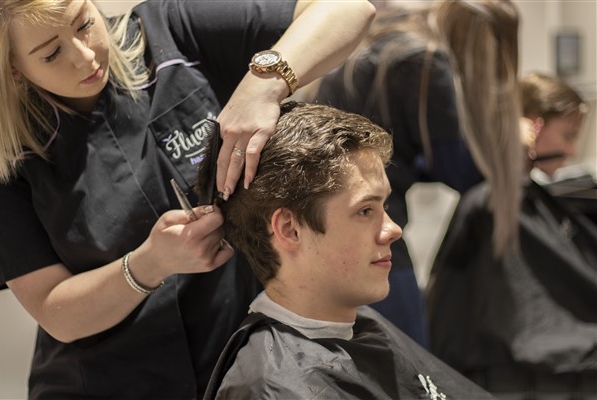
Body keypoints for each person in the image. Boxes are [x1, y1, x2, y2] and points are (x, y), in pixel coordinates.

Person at [0, 0, 375, 398]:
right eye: (52, 53)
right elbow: (56, 312)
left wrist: (263, 85)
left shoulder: (170, 32)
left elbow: (348, 9)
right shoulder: (9, 158)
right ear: (13, 67)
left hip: (242, 367)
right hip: (104, 384)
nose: (85, 55)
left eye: (84, 24)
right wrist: (151, 263)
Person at [198, 101, 496, 400]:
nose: (393, 230)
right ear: (290, 229)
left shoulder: (360, 327)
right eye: (365, 211)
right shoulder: (273, 387)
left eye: (384, 206)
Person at [311, 0, 522, 346]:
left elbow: (406, 155)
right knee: (408, 361)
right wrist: (513, 141)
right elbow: (460, 172)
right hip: (366, 227)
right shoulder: (426, 63)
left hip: (319, 223)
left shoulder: (389, 38)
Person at [426, 73, 597, 398]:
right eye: (568, 136)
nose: (572, 150)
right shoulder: (491, 204)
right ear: (534, 126)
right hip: (521, 373)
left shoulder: (523, 198)